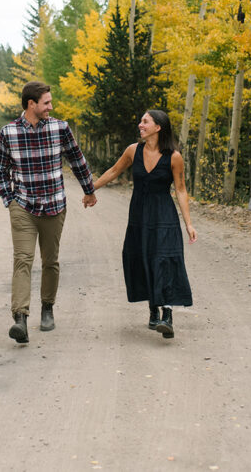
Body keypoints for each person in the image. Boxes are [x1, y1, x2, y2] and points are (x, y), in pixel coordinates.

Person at [0, 81, 97, 344]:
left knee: (50, 261)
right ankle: (20, 319)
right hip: (23, 206)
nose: (51, 107)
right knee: (23, 259)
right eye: (46, 103)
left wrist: (89, 190)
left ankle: (47, 308)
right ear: (32, 104)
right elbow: (0, 172)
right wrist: (10, 200)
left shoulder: (60, 128)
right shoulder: (9, 133)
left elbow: (77, 159)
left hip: (54, 205)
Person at [92, 110, 197, 338]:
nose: (140, 124)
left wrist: (188, 223)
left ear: (158, 127)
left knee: (165, 260)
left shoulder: (174, 157)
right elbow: (113, 171)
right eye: (141, 121)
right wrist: (91, 190)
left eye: (145, 121)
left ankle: (167, 315)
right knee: (143, 258)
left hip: (164, 215)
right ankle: (153, 308)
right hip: (139, 214)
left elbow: (180, 189)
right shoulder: (133, 151)